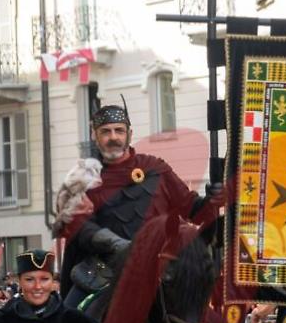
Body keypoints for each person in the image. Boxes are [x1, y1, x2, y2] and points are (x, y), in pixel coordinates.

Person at [54, 101, 223, 308]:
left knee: (198, 315)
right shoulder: (81, 179)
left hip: (159, 270)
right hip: (104, 270)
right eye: (105, 131)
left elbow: (191, 208)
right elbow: (80, 226)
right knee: (69, 318)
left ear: (130, 134)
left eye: (119, 131)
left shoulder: (155, 168)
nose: (113, 137)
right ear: (94, 136)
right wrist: (116, 244)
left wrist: (211, 200)